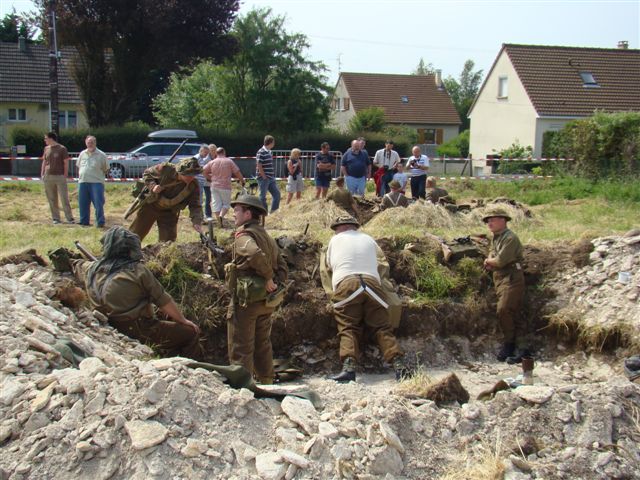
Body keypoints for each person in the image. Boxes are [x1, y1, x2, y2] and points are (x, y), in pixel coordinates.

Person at [72, 226, 201, 358]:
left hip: (107, 327)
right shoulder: (138, 271)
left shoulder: (90, 269)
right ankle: (195, 368)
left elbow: (75, 264)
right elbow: (163, 300)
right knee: (190, 333)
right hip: (138, 330)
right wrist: (183, 320)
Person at [324, 215, 407, 382]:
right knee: (382, 327)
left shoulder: (334, 241)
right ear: (354, 226)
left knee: (348, 327)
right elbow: (382, 264)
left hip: (347, 284)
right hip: (372, 284)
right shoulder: (369, 239)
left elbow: (328, 266)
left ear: (339, 228)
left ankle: (349, 369)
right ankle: (400, 366)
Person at [226, 194, 288, 384]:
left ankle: (241, 384)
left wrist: (268, 277)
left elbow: (253, 253)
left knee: (241, 344)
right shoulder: (266, 236)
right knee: (263, 342)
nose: (234, 213)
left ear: (247, 213)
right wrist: (275, 283)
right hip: (266, 301)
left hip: (248, 300)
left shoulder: (244, 235)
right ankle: (267, 379)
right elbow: (283, 265)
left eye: (237, 210)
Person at [482, 207, 526, 363]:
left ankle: (513, 345)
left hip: (511, 277)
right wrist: (490, 260)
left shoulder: (510, 238)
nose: (489, 223)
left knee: (505, 309)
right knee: (507, 310)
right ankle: (515, 346)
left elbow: (500, 260)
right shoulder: (496, 237)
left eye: (492, 219)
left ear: (503, 220)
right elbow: (492, 253)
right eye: (488, 220)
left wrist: (488, 261)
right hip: (500, 278)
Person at [129, 157, 204, 242]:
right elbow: (147, 174)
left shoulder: (193, 185)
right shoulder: (165, 169)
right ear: (179, 172)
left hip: (169, 212)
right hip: (151, 206)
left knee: (168, 243)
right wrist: (153, 186)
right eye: (187, 175)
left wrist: (196, 221)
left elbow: (195, 205)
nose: (190, 178)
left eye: (193, 175)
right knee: (134, 236)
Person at [204, 147, 244, 228]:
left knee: (216, 203)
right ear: (224, 152)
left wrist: (209, 178)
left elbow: (203, 170)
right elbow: (237, 172)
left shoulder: (212, 162)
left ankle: (219, 220)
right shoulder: (229, 161)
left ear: (216, 153)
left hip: (214, 185)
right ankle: (221, 216)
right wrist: (242, 180)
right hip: (225, 186)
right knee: (226, 204)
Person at [41, 131, 74, 224]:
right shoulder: (46, 149)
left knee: (64, 198)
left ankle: (69, 218)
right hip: (48, 176)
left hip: (59, 176)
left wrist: (65, 175)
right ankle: (56, 218)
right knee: (51, 198)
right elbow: (44, 161)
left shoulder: (62, 148)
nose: (45, 140)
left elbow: (66, 162)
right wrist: (42, 174)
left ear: (51, 138)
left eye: (46, 138)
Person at [76, 135, 108, 228]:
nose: (90, 144)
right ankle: (84, 221)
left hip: (96, 182)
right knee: (83, 203)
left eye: (92, 142)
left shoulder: (101, 155)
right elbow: (79, 165)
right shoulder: (82, 153)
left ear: (95, 143)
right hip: (83, 181)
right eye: (88, 142)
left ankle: (100, 222)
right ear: (86, 143)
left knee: (98, 203)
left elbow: (106, 169)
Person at [256, 135, 281, 213]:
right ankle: (263, 212)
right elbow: (259, 165)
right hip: (264, 178)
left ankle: (273, 211)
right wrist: (264, 176)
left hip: (270, 177)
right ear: (271, 142)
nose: (274, 144)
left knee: (277, 194)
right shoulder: (261, 152)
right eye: (273, 142)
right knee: (262, 197)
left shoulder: (269, 152)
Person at [193, 145, 212, 220]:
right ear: (201, 151)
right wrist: (209, 178)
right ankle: (199, 217)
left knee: (200, 199)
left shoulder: (201, 158)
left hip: (200, 181)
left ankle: (200, 216)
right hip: (197, 181)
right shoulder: (197, 158)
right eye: (205, 152)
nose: (206, 154)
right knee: (199, 200)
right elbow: (201, 171)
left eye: (207, 153)